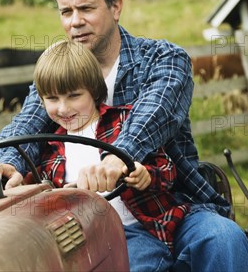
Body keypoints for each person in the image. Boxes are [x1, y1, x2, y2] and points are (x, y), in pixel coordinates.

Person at [0, 0, 248, 271]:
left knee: (223, 238)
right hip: (92, 223)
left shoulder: (162, 58)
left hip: (170, 204)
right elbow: (28, 121)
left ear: (115, 7)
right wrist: (7, 162)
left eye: (86, 9)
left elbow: (157, 113)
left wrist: (116, 158)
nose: (75, 21)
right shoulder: (61, 72)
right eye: (66, 12)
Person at [28, 39, 190, 264]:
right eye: (52, 99)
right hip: (82, 242)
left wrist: (145, 175)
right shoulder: (48, 149)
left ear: (94, 92)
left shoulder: (123, 122)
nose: (63, 108)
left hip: (134, 232)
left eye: (74, 96)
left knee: (135, 264)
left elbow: (167, 169)